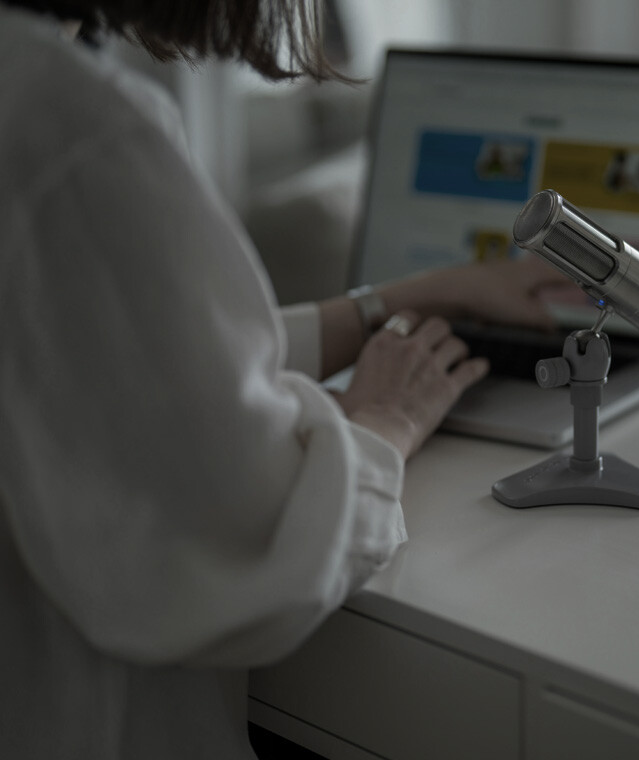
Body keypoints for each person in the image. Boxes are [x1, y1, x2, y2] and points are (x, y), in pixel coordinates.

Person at [0, 1, 563, 757]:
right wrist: (385, 419)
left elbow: (127, 360)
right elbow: (256, 537)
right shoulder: (70, 124)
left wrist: (410, 298)